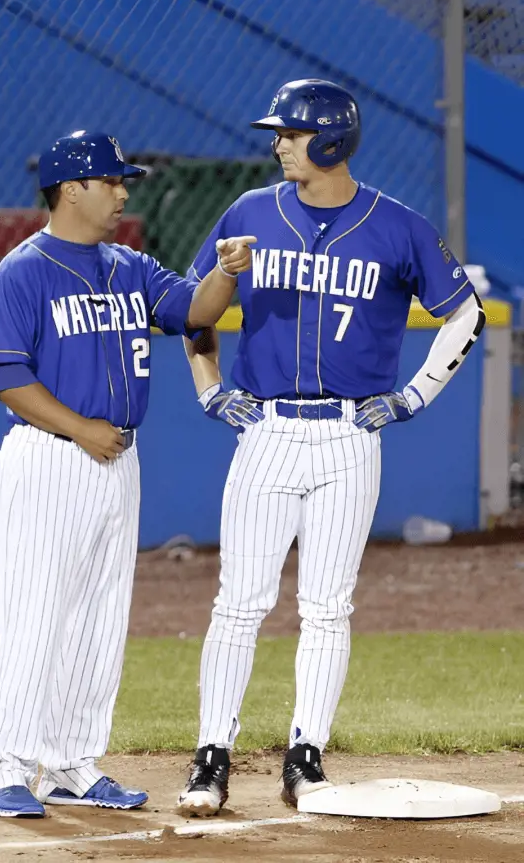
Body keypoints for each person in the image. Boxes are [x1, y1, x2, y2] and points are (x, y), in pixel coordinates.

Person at [177, 79, 486, 816]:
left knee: (327, 606)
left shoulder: (397, 226)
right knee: (238, 603)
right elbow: (192, 310)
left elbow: (464, 313)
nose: (278, 143)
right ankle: (211, 755)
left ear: (331, 140)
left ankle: (304, 753)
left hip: (351, 436)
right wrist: (208, 384)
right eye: (279, 134)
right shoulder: (250, 213)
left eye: (290, 132)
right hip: (268, 432)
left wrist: (413, 395)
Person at [0, 130, 254, 818]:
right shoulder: (22, 270)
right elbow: (6, 376)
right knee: (34, 615)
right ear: (73, 189)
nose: (125, 190)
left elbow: (195, 311)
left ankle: (71, 762)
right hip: (48, 459)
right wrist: (78, 427)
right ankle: (3, 766)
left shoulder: (127, 264)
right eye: (113, 180)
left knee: (99, 619)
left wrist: (227, 271)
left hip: (116, 461)